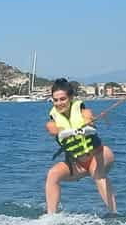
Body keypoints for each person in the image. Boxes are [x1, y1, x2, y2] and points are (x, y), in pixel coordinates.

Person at [44, 78, 117, 214]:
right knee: (52, 174)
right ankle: (51, 216)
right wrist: (62, 131)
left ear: (71, 97)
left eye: (63, 99)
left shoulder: (83, 111)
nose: (59, 103)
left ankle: (114, 213)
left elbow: (88, 117)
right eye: (56, 100)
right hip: (77, 164)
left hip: (98, 155)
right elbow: (52, 129)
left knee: (97, 173)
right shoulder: (52, 120)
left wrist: (88, 123)